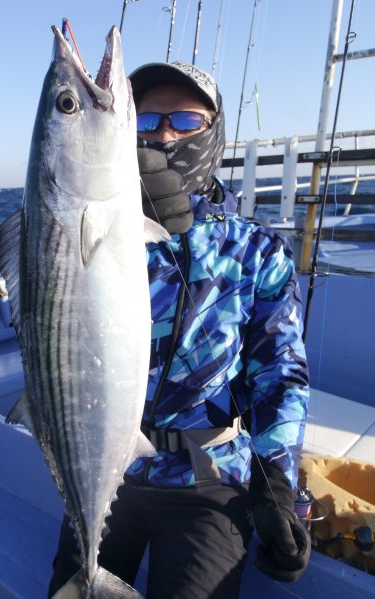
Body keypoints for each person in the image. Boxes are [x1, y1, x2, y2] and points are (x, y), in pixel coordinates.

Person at [49, 60, 310, 599]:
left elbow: (279, 374)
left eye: (185, 121)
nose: (164, 134)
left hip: (208, 481)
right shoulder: (102, 227)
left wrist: (277, 484)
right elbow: (59, 305)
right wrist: (122, 218)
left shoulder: (259, 250)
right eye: (146, 122)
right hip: (105, 469)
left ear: (214, 132)